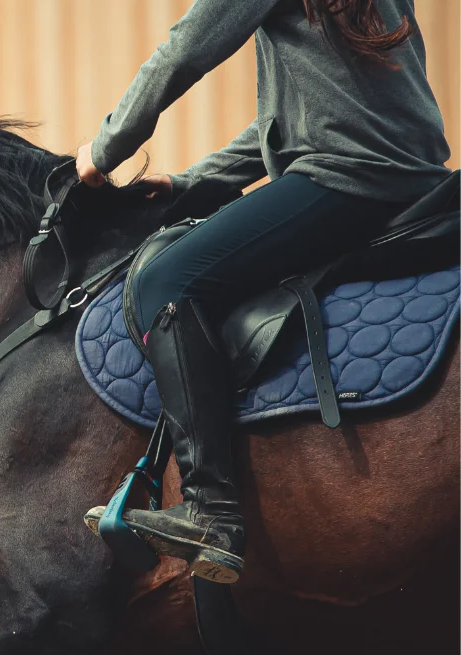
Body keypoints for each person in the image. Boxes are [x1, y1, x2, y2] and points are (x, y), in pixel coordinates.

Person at [77, 0, 451, 584]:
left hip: (346, 180)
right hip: (406, 178)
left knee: (166, 280)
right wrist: (192, 183)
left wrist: (101, 153)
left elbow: (185, 50)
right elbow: (309, 114)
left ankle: (212, 513)